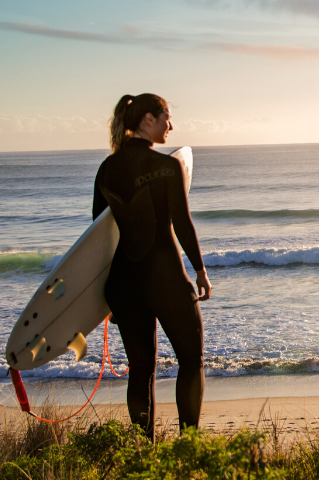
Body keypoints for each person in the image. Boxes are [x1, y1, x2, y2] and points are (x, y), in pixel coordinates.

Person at [93, 93, 211, 439]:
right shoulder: (166, 166)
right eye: (165, 117)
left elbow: (99, 236)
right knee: (190, 360)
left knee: (141, 368)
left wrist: (101, 298)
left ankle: (143, 452)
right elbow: (182, 224)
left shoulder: (107, 169)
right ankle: (188, 447)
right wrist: (200, 271)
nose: (169, 125)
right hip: (165, 279)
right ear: (148, 119)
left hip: (123, 284)